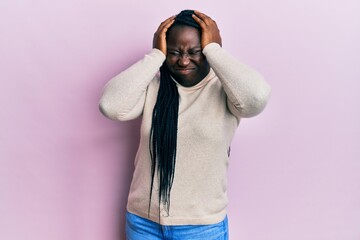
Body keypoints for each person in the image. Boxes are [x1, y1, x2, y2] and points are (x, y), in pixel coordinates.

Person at [99, 9, 271, 240]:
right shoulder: (154, 88)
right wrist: (155, 56)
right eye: (174, 52)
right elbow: (110, 105)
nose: (183, 60)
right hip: (143, 224)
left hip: (201, 228)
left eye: (195, 51)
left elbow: (257, 98)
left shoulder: (226, 91)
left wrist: (214, 50)